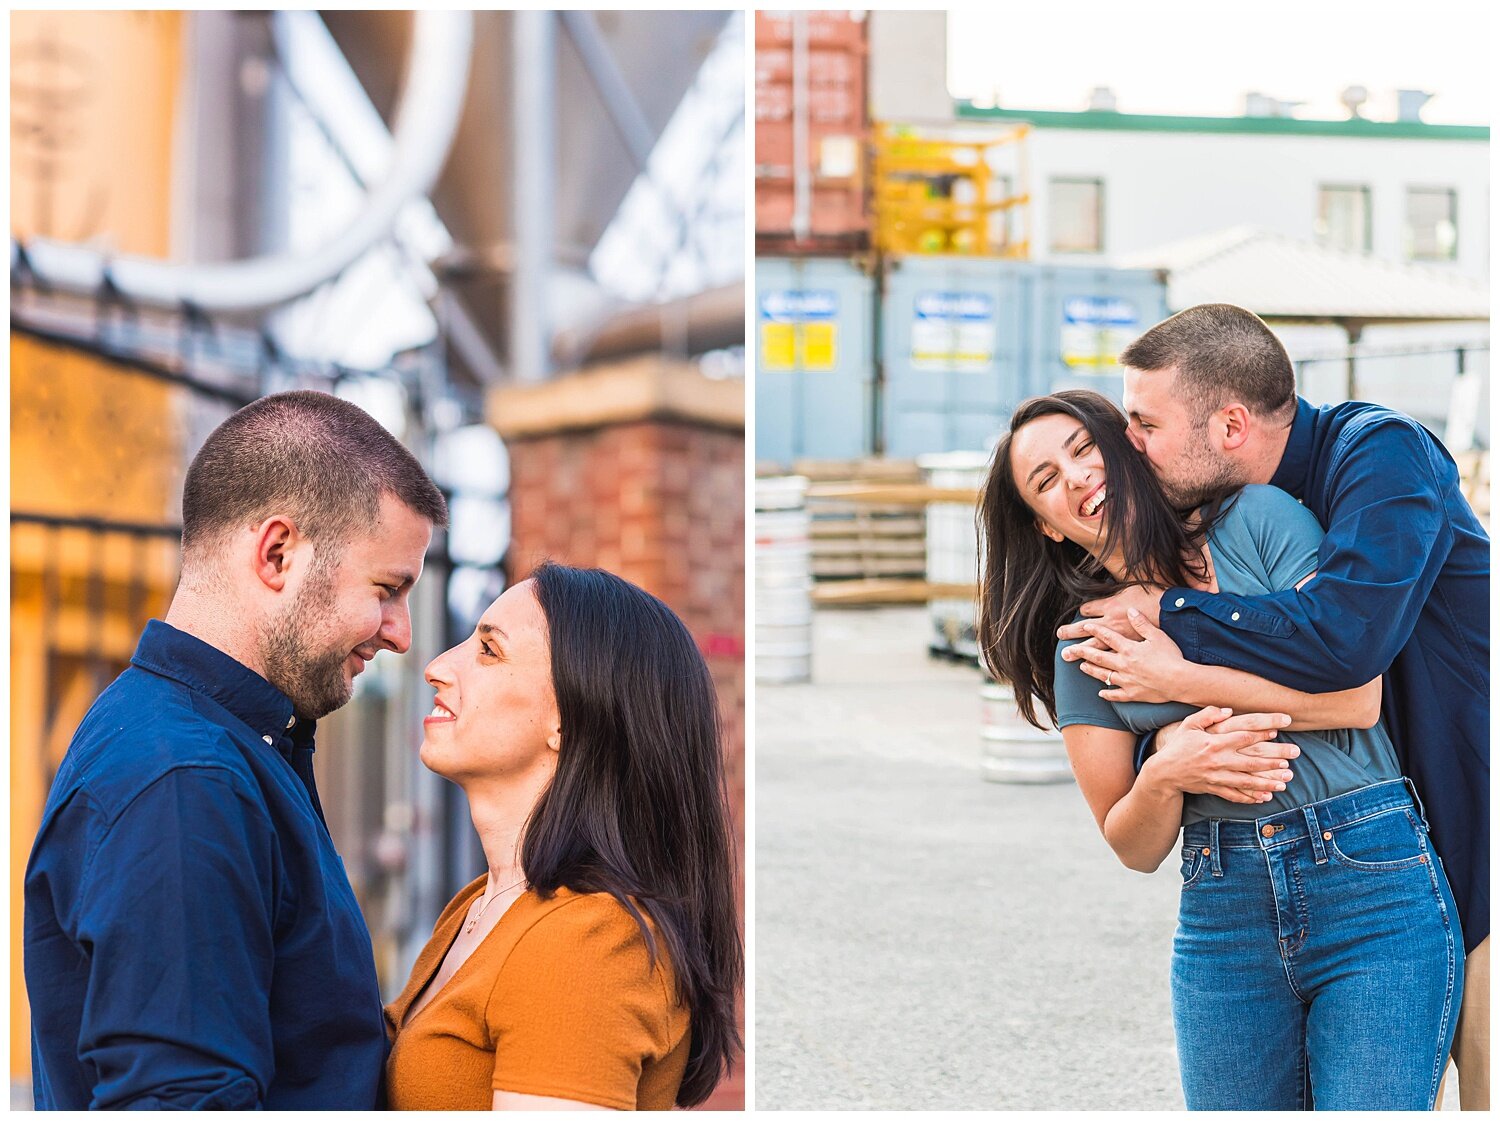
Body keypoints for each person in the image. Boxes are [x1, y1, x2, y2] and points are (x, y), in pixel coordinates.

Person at [978, 389, 1463, 1110]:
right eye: (1046, 479)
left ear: (1127, 445)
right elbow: (1132, 842)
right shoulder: (1086, 646)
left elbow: (1358, 697)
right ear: (1046, 527)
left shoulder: (1257, 519)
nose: (1076, 477)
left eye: (1083, 450)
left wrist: (1178, 679)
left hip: (1374, 880)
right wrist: (1166, 773)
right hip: (1223, 912)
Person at [24, 390, 448, 1109]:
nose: (401, 632)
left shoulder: (224, 747)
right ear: (278, 552)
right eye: (387, 588)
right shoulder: (186, 782)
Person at [383, 563, 743, 1111]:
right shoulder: (478, 906)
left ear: (569, 719)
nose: (436, 667)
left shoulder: (589, 938)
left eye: (489, 651)